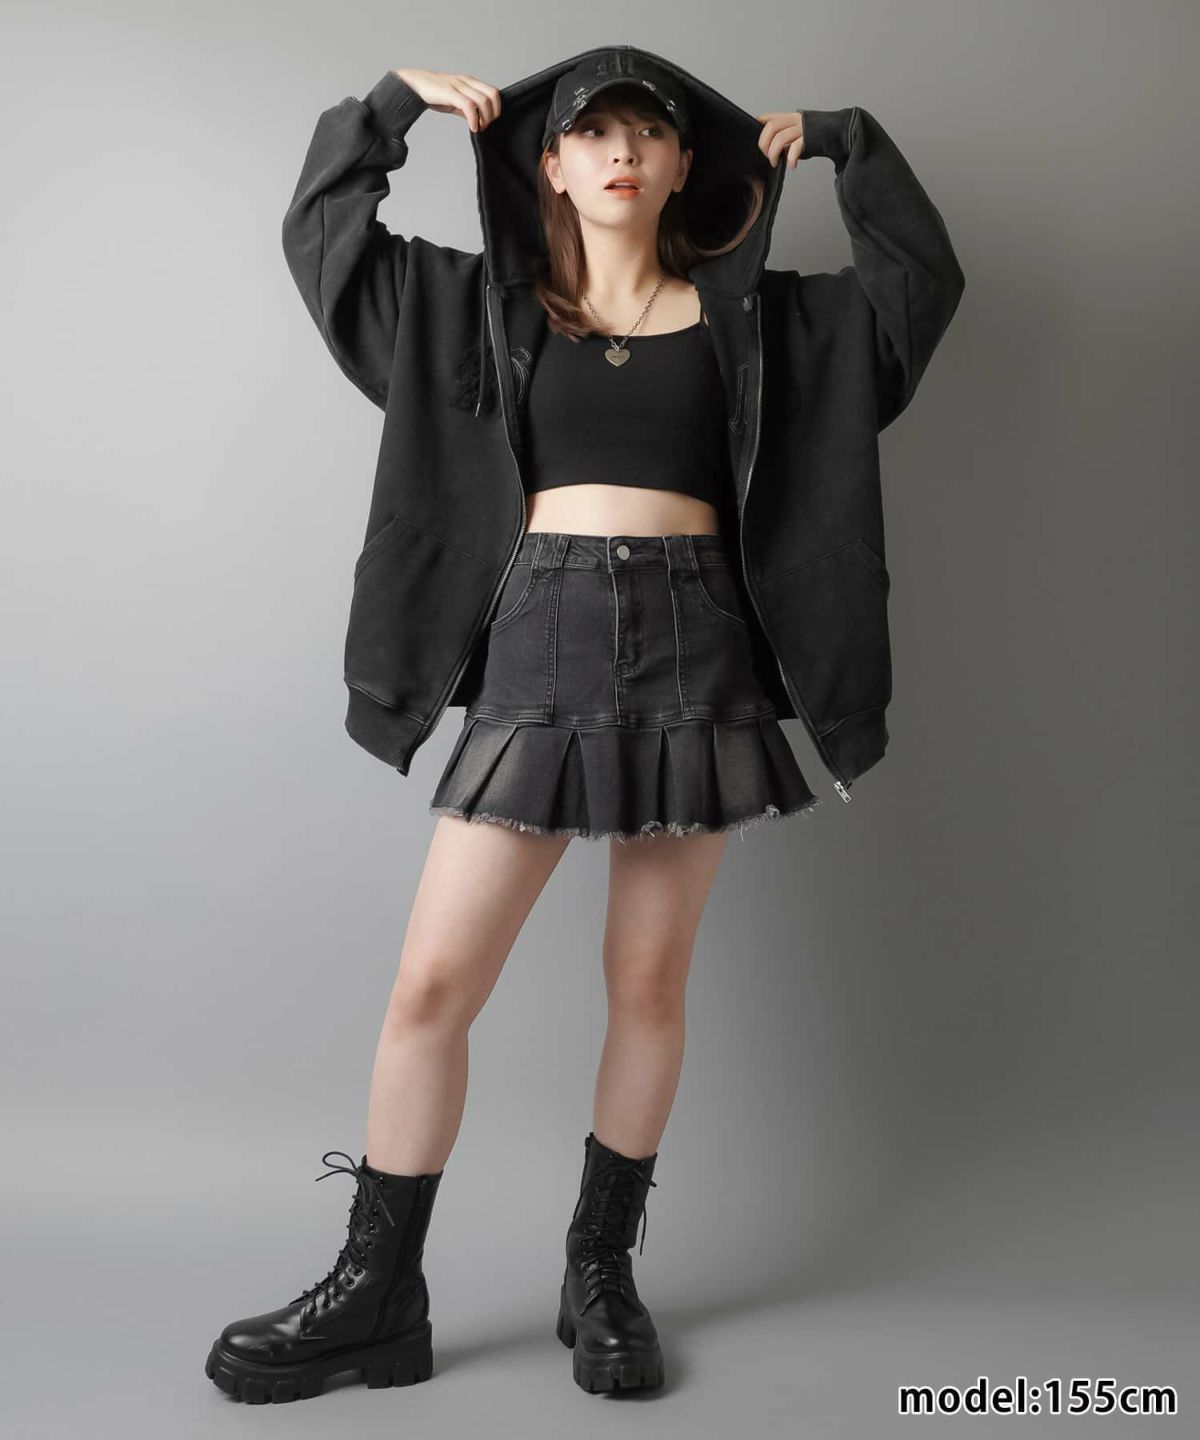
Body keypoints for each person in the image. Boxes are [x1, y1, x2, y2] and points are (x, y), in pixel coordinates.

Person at [206, 46, 964, 1403]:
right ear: (548, 165)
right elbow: (324, 244)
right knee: (432, 988)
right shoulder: (468, 310)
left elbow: (918, 287)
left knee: (647, 985)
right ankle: (378, 1292)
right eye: (593, 133)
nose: (621, 151)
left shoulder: (769, 324)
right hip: (539, 637)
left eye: (648, 133)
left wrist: (851, 138)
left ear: (685, 166)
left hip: (698, 642)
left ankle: (600, 1276)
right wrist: (387, 111)